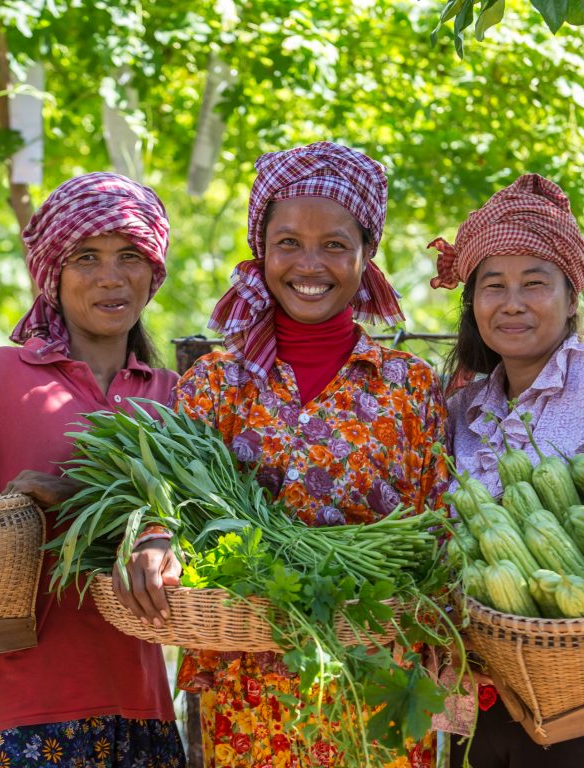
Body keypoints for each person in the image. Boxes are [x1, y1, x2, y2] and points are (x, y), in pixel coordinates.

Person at [114, 142, 450, 767]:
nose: (309, 263)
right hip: (247, 695)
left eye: (334, 244)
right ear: (261, 250)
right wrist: (155, 534)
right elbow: (168, 501)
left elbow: (439, 530)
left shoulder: (408, 386)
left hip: (375, 684)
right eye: (288, 242)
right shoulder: (216, 382)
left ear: (366, 254)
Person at [0, 173, 186, 768]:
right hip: (20, 708)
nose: (110, 277)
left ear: (153, 271)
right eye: (86, 258)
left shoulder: (175, 399)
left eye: (130, 256)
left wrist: (75, 498)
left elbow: (202, 534)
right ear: (54, 273)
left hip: (143, 708)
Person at [431, 172, 584, 767]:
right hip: (488, 704)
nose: (512, 303)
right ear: (473, 304)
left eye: (535, 283)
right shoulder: (462, 411)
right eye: (493, 285)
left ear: (573, 294)